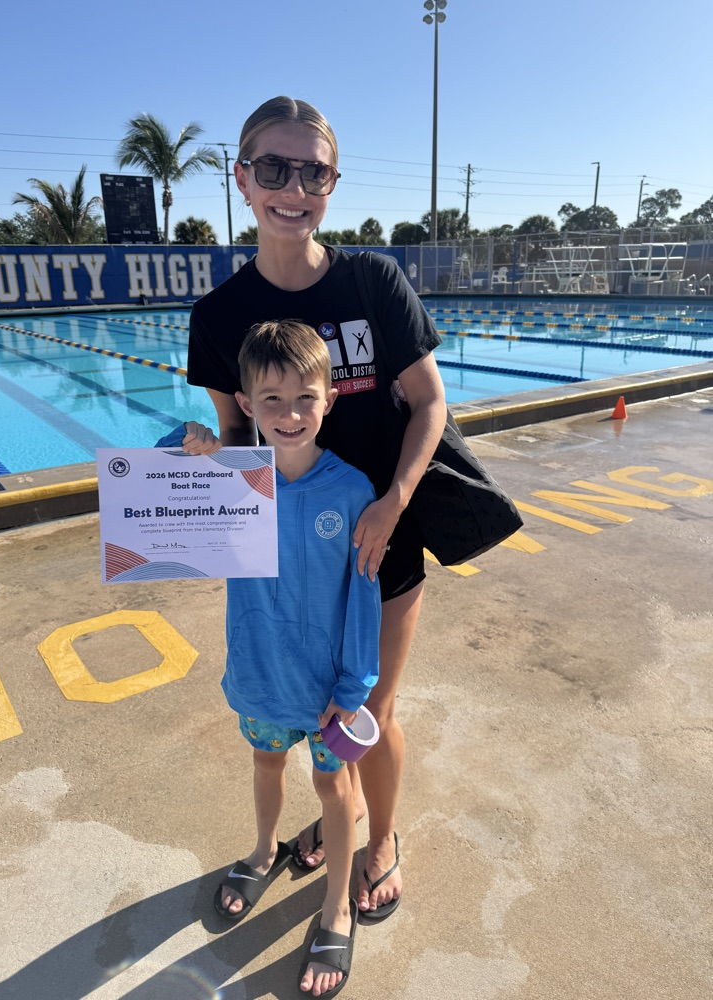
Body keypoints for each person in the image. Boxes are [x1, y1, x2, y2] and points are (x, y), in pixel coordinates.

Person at [184, 95, 448, 924]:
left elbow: (430, 403)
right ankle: (335, 816)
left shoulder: (373, 280)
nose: (292, 187)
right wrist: (195, 454)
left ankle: (378, 840)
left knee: (367, 713)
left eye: (314, 171)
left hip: (376, 543)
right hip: (287, 559)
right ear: (242, 178)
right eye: (273, 168)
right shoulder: (218, 315)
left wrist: (393, 502)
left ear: (332, 183)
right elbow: (238, 442)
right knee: (301, 718)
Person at [210, 319, 381, 997]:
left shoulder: (352, 491)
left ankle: (337, 902)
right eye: (271, 400)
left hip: (329, 690)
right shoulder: (229, 482)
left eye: (304, 397)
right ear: (246, 404)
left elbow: (363, 600)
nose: (289, 414)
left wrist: (355, 685)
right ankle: (262, 851)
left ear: (329, 398)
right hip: (260, 672)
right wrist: (188, 445)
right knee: (265, 762)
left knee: (335, 787)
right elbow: (156, 490)